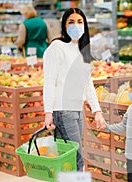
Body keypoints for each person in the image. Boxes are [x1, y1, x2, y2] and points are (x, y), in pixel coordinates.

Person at [43, 8, 106, 171]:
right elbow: (49, 81)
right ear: (64, 25)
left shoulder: (82, 51)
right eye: (71, 22)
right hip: (62, 110)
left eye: (80, 22)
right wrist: (48, 112)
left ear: (85, 26)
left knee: (70, 160)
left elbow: (87, 83)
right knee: (74, 159)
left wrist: (97, 111)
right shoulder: (57, 47)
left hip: (77, 110)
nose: (76, 25)